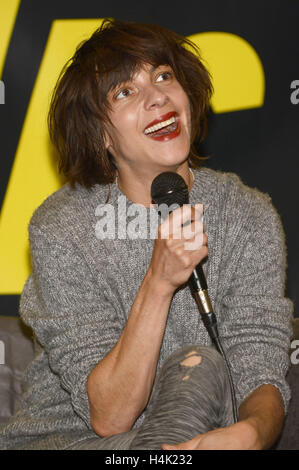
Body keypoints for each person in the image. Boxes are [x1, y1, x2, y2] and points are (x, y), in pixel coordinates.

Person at [0, 18, 293, 450]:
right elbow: (109, 416)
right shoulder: (63, 228)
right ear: (101, 134)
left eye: (163, 76)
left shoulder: (248, 215)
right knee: (203, 365)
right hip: (72, 442)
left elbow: (259, 370)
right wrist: (158, 282)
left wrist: (251, 433)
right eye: (125, 91)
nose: (157, 97)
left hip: (193, 442)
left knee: (203, 369)